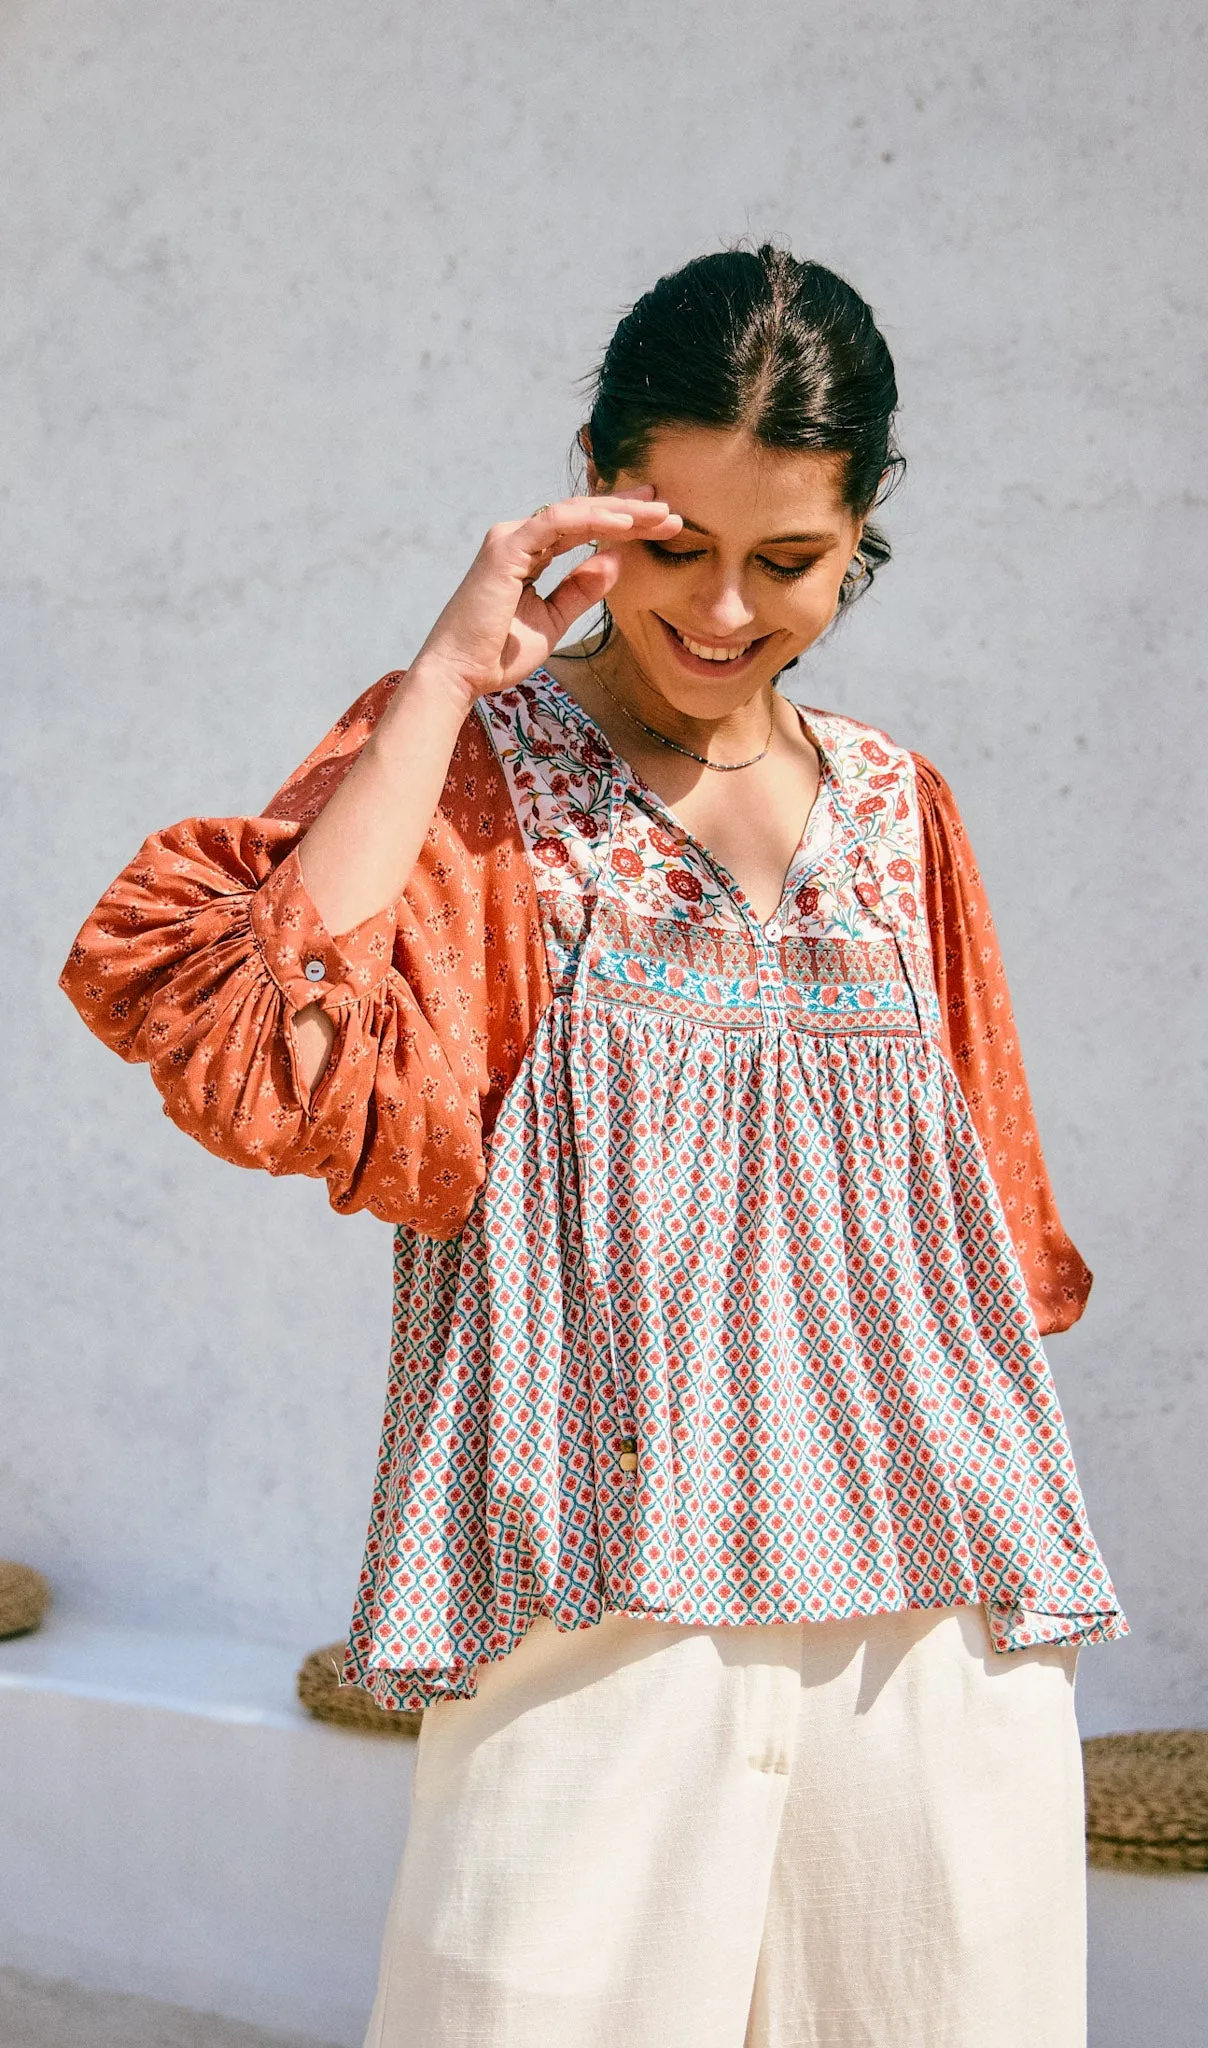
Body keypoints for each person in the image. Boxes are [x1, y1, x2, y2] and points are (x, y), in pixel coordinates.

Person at [61, 243, 1125, 2047]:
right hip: (595, 1613)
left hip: (935, 1636)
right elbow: (242, 1036)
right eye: (674, 547)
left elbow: (985, 1223)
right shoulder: (476, 772)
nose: (721, 611)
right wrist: (438, 683)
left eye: (788, 561)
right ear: (591, 492)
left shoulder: (900, 810)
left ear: (863, 526)